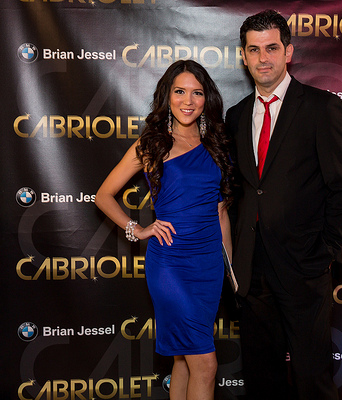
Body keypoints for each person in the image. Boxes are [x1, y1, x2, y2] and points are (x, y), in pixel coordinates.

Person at [225, 10, 342, 400]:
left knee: (311, 378)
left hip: (305, 266)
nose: (262, 58)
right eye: (254, 50)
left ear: (288, 52)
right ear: (244, 56)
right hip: (252, 272)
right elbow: (239, 192)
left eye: (271, 48)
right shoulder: (236, 116)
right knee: (261, 380)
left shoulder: (321, 107)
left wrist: (329, 252)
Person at [95, 60, 233, 400]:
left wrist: (230, 271)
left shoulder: (215, 143)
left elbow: (221, 213)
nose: (188, 101)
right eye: (180, 91)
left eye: (197, 93)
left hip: (208, 267)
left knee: (184, 361)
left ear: (206, 98)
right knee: (206, 364)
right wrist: (137, 228)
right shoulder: (152, 144)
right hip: (171, 263)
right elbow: (103, 195)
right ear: (167, 96)